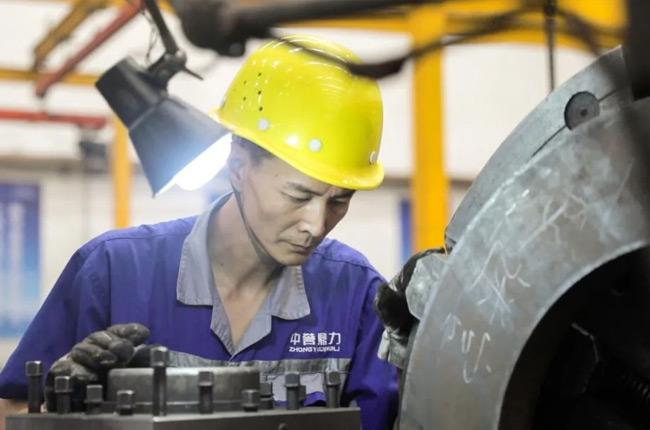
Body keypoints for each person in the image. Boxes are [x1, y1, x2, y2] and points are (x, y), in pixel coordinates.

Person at [0, 35, 398, 430]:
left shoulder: (356, 295)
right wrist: (56, 412)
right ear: (238, 166)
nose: (316, 224)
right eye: (299, 195)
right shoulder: (113, 273)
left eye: (339, 201)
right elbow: (9, 412)